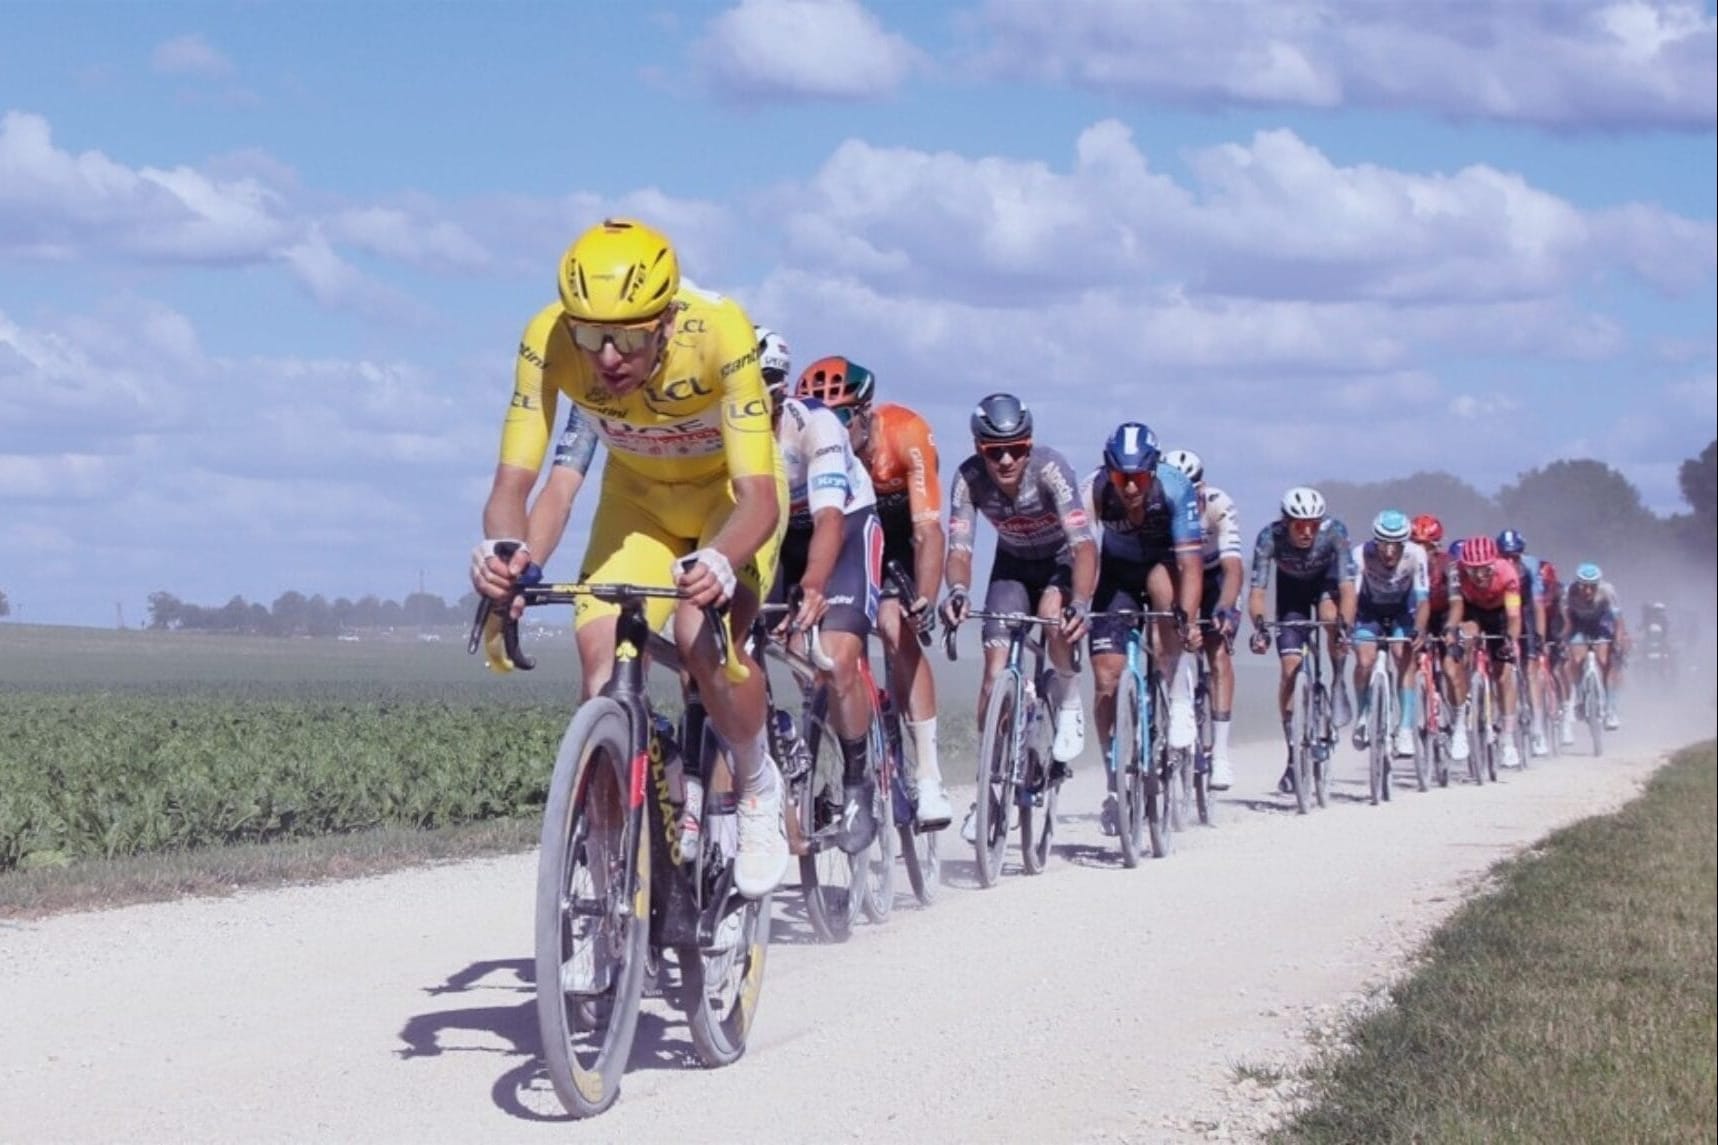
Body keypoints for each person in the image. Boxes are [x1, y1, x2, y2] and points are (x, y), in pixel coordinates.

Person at [471, 217, 790, 900]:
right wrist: (507, 552)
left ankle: (758, 780)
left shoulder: (720, 331)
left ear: (668, 322)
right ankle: (611, 880)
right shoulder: (549, 338)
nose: (607, 358)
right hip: (638, 502)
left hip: (726, 503)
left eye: (629, 338)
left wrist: (721, 562)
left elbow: (759, 499)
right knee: (600, 667)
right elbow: (516, 487)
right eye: (591, 335)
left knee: (697, 639)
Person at [797, 357, 953, 829]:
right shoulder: (812, 442)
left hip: (900, 540)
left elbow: (929, 531)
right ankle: (835, 733)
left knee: (893, 624)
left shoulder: (905, 433)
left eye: (844, 417)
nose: (835, 428)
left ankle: (928, 775)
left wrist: (924, 598)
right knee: (819, 648)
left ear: (866, 412)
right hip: (842, 537)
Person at [940, 393, 1098, 843]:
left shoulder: (1050, 469)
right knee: (993, 676)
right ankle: (987, 795)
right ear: (978, 449)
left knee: (1052, 617)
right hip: (1011, 567)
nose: (1006, 459)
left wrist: (1081, 602)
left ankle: (1067, 696)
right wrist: (956, 591)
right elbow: (960, 548)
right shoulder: (969, 479)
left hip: (1061, 561)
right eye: (994, 451)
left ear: (1029, 446)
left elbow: (1085, 545)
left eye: (1017, 448)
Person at [761, 340, 884, 854]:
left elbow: (831, 519)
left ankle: (858, 780)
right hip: (780, 530)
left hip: (846, 522)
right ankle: (782, 731)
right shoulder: (716, 429)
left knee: (835, 658)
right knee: (739, 644)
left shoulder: (816, 425)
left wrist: (813, 585)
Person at [1082, 423, 1204, 836]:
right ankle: (1114, 781)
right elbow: (1080, 550)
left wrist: (1186, 618)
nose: (1129, 487)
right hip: (1116, 576)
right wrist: (1079, 604)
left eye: (1137, 477)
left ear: (1153, 470)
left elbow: (1190, 564)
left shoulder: (1175, 488)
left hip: (1161, 566)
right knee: (1105, 678)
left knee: (1166, 593)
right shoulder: (1095, 489)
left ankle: (1178, 693)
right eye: (1120, 477)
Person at [1247, 487, 1357, 794]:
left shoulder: (1335, 532)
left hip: (1326, 584)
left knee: (1330, 615)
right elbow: (1257, 593)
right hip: (1291, 593)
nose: (1307, 531)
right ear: (1285, 523)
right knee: (1289, 668)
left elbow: (1348, 589)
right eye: (1299, 525)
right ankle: (1294, 753)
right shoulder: (1269, 538)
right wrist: (1259, 627)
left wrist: (1345, 627)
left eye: (1313, 523)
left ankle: (1336, 680)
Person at [1165, 448, 1243, 789]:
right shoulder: (1160, 509)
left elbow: (1233, 568)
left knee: (1218, 651)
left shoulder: (1217, 505)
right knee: (1168, 641)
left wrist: (1224, 608)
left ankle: (1221, 754)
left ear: (1202, 486)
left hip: (1214, 579)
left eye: (1191, 488)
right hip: (1178, 574)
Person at [1349, 510, 1431, 759]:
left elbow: (1423, 599)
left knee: (1401, 652)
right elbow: (1351, 597)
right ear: (1375, 540)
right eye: (1383, 543)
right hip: (1368, 611)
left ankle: (1405, 727)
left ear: (1404, 543)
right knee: (1364, 660)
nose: (1389, 551)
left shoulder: (1417, 554)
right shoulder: (1360, 554)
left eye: (1395, 545)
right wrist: (1347, 627)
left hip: (1401, 612)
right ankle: (1363, 713)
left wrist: (1419, 628)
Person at [1446, 535, 1524, 768]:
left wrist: (1511, 639)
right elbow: (1457, 606)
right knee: (1465, 637)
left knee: (1503, 673)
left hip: (1500, 613)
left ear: (1494, 564)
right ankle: (1460, 724)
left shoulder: (1508, 573)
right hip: (1472, 611)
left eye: (1484, 570)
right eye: (1473, 571)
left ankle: (1508, 739)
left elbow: (1513, 615)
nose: (1479, 576)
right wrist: (1451, 630)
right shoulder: (1455, 571)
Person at [1496, 528, 1551, 756]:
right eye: (1505, 556)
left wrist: (1539, 638)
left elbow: (1537, 605)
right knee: (1501, 669)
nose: (1510, 560)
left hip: (1525, 609)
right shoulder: (1495, 566)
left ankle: (1538, 728)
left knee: (1530, 669)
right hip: (1503, 610)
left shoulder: (1530, 566)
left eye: (1515, 556)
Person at [1560, 562, 1627, 735]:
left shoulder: (1607, 591)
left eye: (1592, 587)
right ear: (1578, 584)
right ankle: (1578, 696)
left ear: (1598, 584)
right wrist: (1563, 639)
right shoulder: (1569, 592)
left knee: (1605, 660)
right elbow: (1566, 621)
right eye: (1584, 586)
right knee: (1575, 658)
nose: (1588, 591)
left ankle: (1611, 709)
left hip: (1601, 623)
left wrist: (1618, 641)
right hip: (1579, 625)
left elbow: (1618, 621)